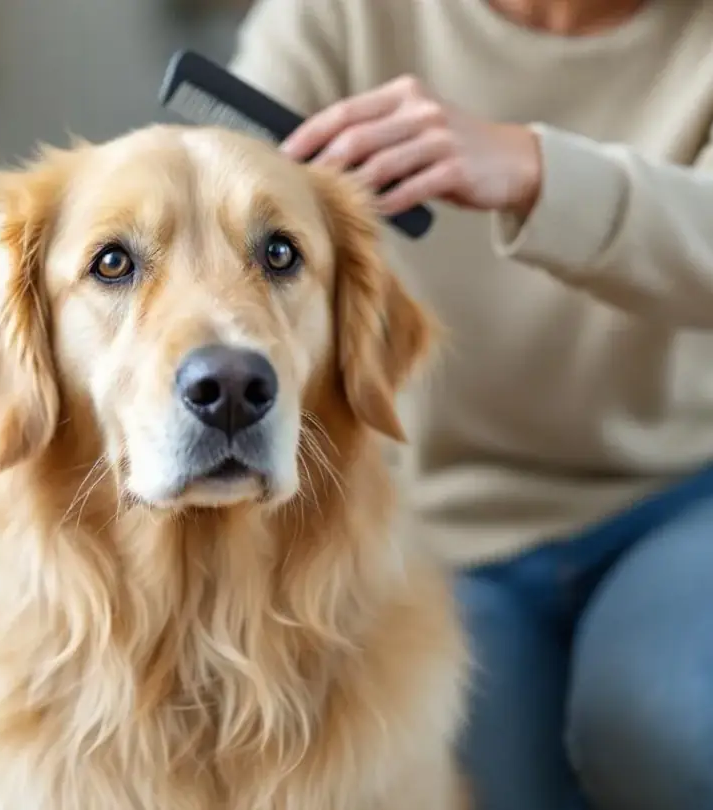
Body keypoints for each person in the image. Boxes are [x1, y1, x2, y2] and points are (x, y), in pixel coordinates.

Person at [228, 2, 713, 809]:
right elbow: (228, 209)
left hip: (678, 498)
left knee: (669, 729)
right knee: (470, 783)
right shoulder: (336, 16)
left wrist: (533, 170)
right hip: (441, 527)